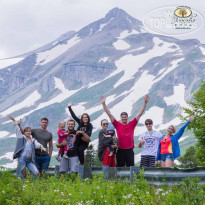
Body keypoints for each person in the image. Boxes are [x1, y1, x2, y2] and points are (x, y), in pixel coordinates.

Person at [101, 95, 150, 167]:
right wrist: (103, 104)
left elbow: (139, 113)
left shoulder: (132, 124)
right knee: (120, 169)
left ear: (127, 117)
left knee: (130, 169)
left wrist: (145, 103)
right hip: (120, 150)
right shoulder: (117, 124)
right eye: (122, 117)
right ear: (121, 118)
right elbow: (109, 114)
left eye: (125, 117)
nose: (124, 118)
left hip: (129, 150)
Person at [8, 115, 46, 180]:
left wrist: (42, 147)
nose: (28, 132)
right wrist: (14, 121)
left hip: (30, 160)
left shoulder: (33, 140)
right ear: (24, 132)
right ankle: (22, 187)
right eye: (27, 131)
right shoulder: (21, 138)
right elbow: (17, 129)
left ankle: (34, 186)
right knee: (23, 174)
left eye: (29, 131)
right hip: (22, 158)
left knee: (36, 173)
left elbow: (38, 144)